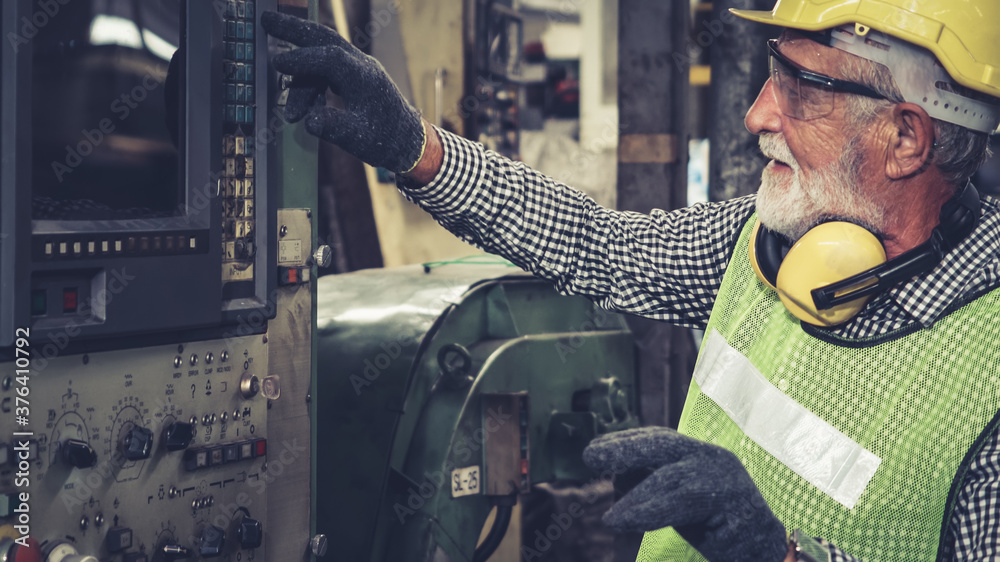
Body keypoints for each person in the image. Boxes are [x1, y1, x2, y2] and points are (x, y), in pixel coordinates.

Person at [262, 0, 1000, 559]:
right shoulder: (762, 243)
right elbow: (597, 245)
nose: (755, 115)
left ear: (905, 137)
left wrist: (778, 555)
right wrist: (413, 147)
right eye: (769, 75)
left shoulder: (987, 383)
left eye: (801, 91)